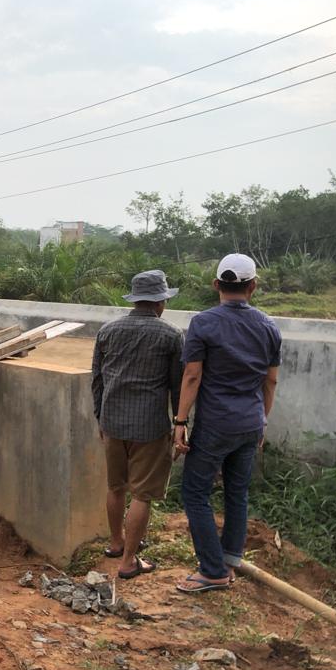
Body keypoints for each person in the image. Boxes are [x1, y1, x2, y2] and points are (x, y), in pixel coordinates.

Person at [173, 254, 281, 593]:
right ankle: (230, 560)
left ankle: (213, 570)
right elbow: (270, 381)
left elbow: (192, 375)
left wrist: (180, 421)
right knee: (237, 492)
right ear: (253, 287)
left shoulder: (203, 323)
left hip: (216, 424)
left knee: (195, 492)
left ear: (216, 285)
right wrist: (262, 421)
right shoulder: (269, 326)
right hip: (250, 422)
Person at [92, 270, 183, 579]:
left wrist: (100, 418)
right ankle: (129, 561)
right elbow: (177, 386)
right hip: (150, 428)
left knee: (115, 486)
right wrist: (180, 423)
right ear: (160, 302)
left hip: (112, 423)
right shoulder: (171, 336)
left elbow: (97, 380)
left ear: (135, 300)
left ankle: (116, 542)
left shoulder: (107, 331)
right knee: (142, 495)